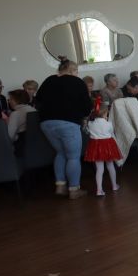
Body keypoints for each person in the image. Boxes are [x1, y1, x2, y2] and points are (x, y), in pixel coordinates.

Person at [35, 60, 93, 199]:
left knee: (61, 152)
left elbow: (38, 101)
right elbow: (87, 106)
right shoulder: (77, 82)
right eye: (77, 71)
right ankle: (74, 189)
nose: (77, 73)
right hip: (68, 123)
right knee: (73, 156)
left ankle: (60, 185)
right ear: (72, 70)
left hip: (46, 123)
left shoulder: (49, 80)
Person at [83, 102, 121, 197]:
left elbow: (87, 132)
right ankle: (114, 185)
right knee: (110, 165)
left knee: (99, 169)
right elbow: (111, 133)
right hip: (108, 146)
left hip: (95, 146)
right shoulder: (108, 124)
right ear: (105, 113)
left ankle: (99, 190)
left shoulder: (90, 123)